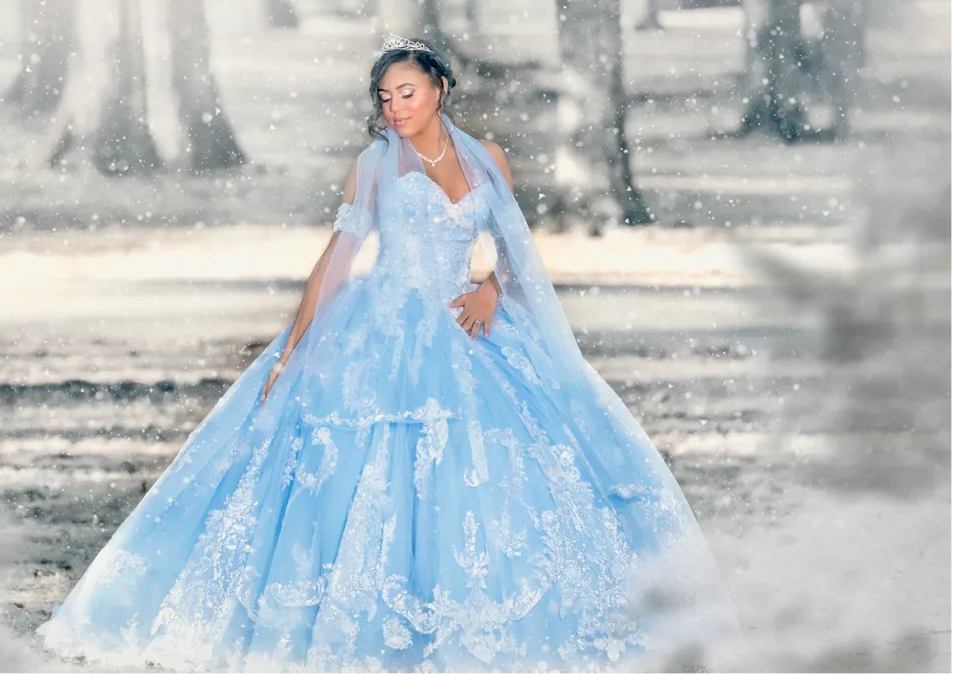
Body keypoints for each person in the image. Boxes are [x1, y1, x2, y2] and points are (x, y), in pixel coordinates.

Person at [38, 35, 736, 674]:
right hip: (381, 325)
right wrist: (292, 347)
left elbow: (516, 255)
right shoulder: (374, 165)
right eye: (385, 97)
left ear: (439, 89)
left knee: (493, 468)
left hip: (466, 323)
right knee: (359, 465)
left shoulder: (487, 159)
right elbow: (337, 259)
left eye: (407, 93)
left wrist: (489, 289)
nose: (395, 108)